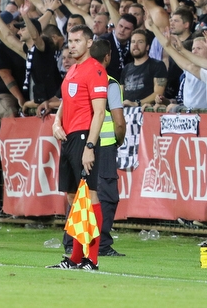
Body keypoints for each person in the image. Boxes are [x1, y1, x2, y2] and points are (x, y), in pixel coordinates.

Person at [49, 24, 107, 271]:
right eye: (69, 41)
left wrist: (90, 146)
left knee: (89, 197)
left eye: (76, 41)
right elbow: (66, 101)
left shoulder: (95, 70)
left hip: (84, 137)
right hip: (70, 138)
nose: (71, 45)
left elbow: (100, 111)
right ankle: (74, 257)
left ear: (89, 43)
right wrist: (55, 121)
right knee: (74, 198)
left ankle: (91, 259)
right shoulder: (72, 69)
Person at [87, 39, 126, 258]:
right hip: (104, 145)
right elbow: (118, 122)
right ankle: (101, 244)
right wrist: (118, 140)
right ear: (108, 57)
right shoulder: (109, 83)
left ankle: (72, 242)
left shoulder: (78, 76)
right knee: (107, 195)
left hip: (80, 143)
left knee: (80, 193)